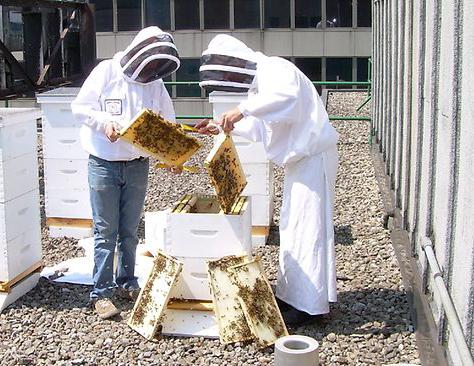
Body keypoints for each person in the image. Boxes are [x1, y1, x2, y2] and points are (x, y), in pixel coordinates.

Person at [196, 35, 339, 327]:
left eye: (226, 71)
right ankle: (295, 297)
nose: (227, 78)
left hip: (312, 158)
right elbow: (262, 127)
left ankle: (310, 308)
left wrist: (241, 110)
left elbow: (285, 97)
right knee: (294, 228)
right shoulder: (262, 85)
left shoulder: (274, 68)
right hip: (302, 162)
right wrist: (220, 126)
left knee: (308, 230)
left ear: (236, 61)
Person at [71, 26, 180, 319]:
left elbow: (167, 123)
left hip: (137, 165)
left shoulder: (155, 84)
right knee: (106, 232)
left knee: (130, 231)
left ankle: (127, 282)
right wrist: (104, 122)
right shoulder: (106, 71)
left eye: (158, 66)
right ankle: (101, 293)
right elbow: (80, 108)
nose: (154, 70)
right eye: (152, 64)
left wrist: (173, 155)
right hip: (104, 163)